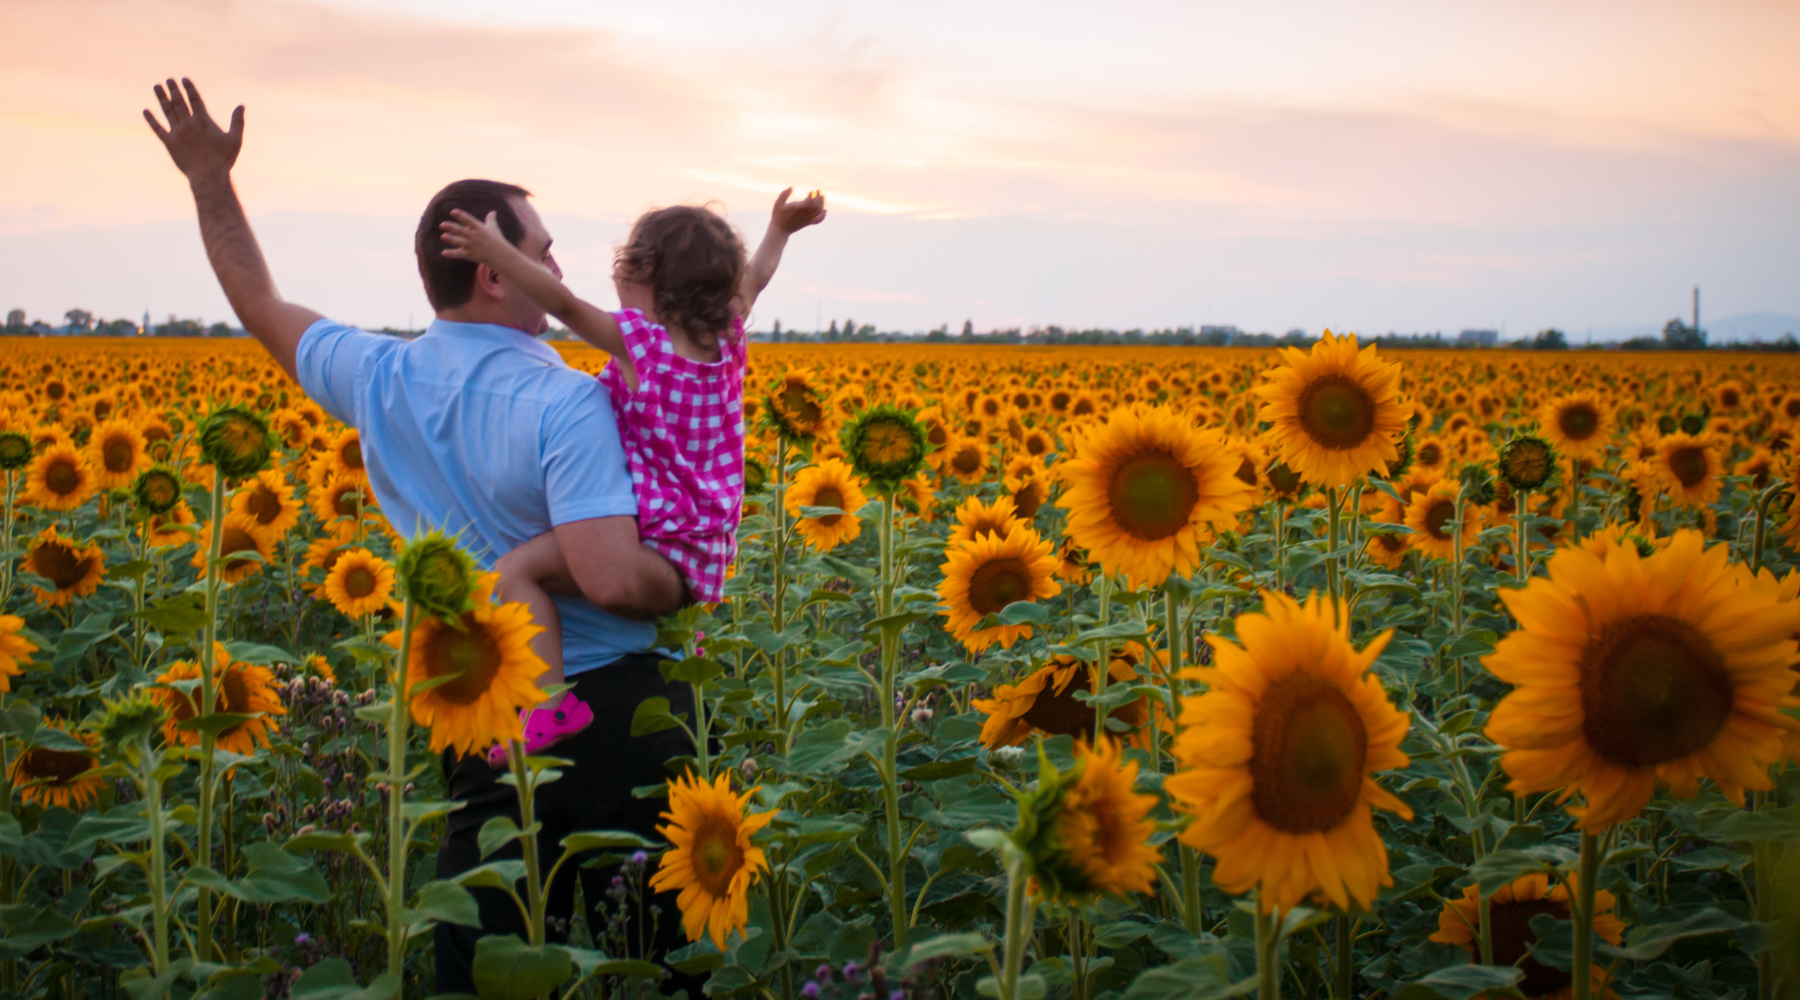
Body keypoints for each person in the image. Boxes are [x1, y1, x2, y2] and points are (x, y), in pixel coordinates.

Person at [143, 77, 710, 994]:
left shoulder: (378, 376)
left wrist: (210, 179)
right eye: (545, 254)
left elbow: (256, 301)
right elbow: (613, 581)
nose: (559, 276)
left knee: (486, 957)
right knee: (649, 966)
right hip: (605, 712)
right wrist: (685, 577)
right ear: (493, 271)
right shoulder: (570, 400)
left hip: (478, 709)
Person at [436, 190, 826, 762]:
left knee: (515, 572)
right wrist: (779, 230)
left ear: (643, 271)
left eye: (625, 263)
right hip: (703, 541)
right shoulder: (725, 337)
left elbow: (563, 305)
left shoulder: (643, 345)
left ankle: (548, 708)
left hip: (653, 531)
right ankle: (674, 643)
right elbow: (757, 277)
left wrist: (499, 253)